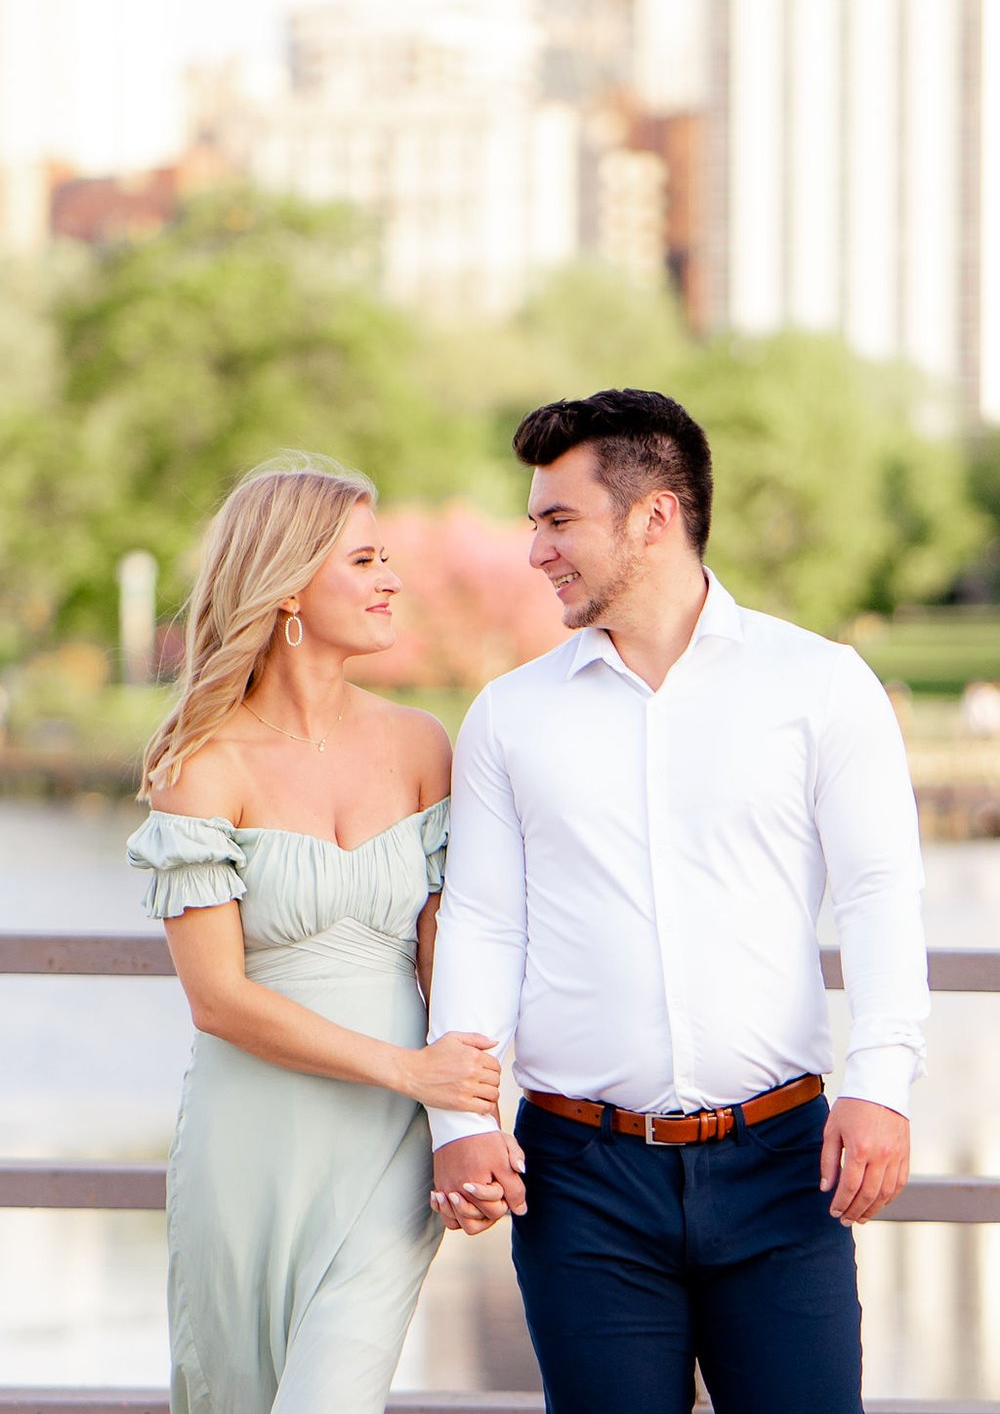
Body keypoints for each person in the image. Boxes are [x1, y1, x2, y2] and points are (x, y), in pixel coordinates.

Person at [426, 390, 929, 1414]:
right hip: (578, 1180)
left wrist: (881, 1084)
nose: (535, 552)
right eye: (532, 524)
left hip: (785, 1169)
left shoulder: (820, 686)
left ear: (653, 517)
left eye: (557, 520)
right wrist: (457, 1120)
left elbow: (878, 893)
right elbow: (482, 923)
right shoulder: (508, 718)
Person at [126, 457, 516, 1414]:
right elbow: (216, 999)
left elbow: (446, 951)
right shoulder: (201, 762)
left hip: (386, 1146)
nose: (393, 581)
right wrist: (409, 1071)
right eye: (366, 560)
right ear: (290, 583)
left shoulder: (424, 743)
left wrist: (463, 1118)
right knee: (236, 1396)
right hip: (247, 1143)